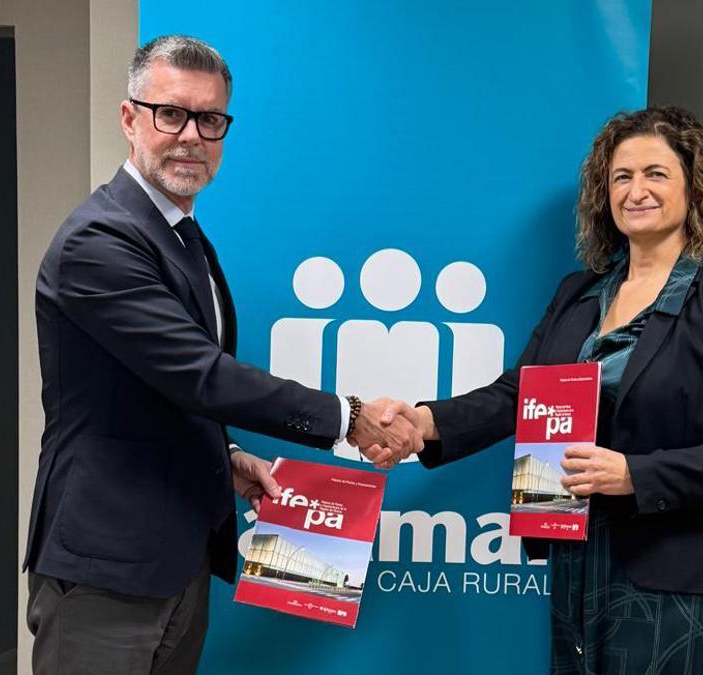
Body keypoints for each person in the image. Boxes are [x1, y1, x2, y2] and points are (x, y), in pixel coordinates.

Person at [23, 35, 420, 675]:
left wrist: (226, 456)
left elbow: (153, 390)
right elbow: (199, 377)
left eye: (210, 119)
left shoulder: (181, 233)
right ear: (130, 118)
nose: (191, 136)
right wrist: (348, 418)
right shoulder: (99, 240)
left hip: (178, 556)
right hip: (106, 565)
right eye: (171, 113)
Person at [369, 106, 703, 674]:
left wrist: (635, 476)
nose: (636, 191)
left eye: (656, 174)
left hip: (677, 573)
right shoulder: (579, 294)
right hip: (577, 555)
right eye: (622, 177)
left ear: (695, 187)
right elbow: (520, 394)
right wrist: (425, 423)